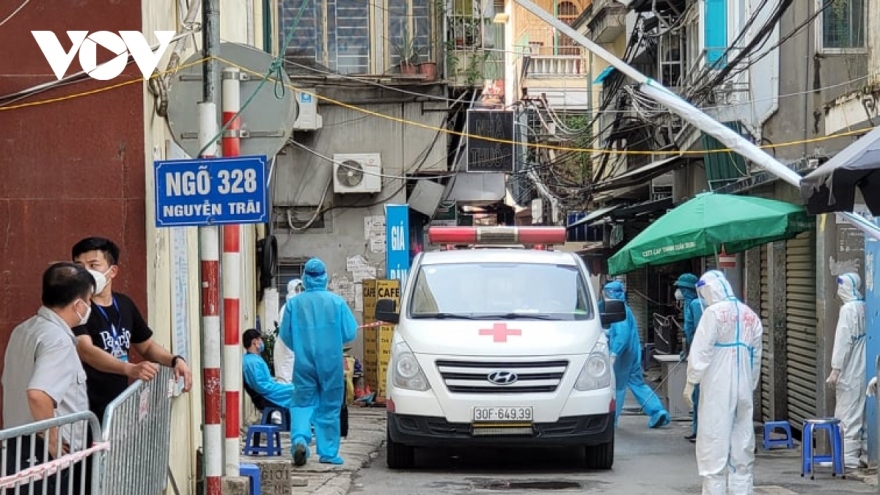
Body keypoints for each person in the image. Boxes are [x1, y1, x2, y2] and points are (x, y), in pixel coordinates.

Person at [71, 236, 193, 423]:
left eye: (93, 265)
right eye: (79, 266)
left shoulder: (125, 304)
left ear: (113, 271)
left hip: (117, 407)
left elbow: (146, 346)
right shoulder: (77, 307)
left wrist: (175, 360)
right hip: (85, 409)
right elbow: (85, 350)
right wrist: (129, 369)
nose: (86, 272)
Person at [2, 262, 94, 495]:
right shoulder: (58, 341)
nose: (89, 306)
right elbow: (38, 394)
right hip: (42, 453)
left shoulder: (24, 329)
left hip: (17, 444)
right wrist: (53, 441)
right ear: (79, 305)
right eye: (89, 300)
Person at [683, 270, 763, 495]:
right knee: (742, 445)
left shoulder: (713, 314)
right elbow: (756, 357)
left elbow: (701, 350)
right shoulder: (750, 315)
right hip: (743, 387)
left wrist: (691, 381)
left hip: (718, 386)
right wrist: (750, 384)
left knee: (713, 442)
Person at [279, 258, 358, 466]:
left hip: (304, 362)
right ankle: (328, 453)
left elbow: (285, 335)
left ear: (305, 278)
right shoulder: (337, 302)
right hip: (331, 362)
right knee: (330, 407)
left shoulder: (293, 304)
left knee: (302, 403)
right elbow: (350, 332)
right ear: (325, 277)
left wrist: (301, 346)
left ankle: (299, 440)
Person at [603, 280, 671, 429]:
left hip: (623, 355)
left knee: (617, 387)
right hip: (633, 352)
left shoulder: (617, 310)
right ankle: (657, 411)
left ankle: (611, 421)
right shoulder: (625, 308)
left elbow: (622, 334)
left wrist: (614, 353)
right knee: (637, 383)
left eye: (606, 293)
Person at [825, 272, 867, 469]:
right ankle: (864, 452)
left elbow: (843, 341)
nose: (839, 290)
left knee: (847, 410)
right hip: (864, 365)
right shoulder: (864, 306)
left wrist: (836, 369)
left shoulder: (848, 310)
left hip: (850, 368)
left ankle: (847, 456)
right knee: (862, 410)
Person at [674, 272, 703, 442]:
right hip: (693, 354)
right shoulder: (688, 305)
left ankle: (700, 431)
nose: (679, 292)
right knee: (695, 395)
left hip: (700, 356)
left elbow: (699, 332)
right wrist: (686, 350)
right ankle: (696, 428)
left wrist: (694, 352)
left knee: (699, 395)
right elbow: (688, 331)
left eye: (682, 288)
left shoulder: (697, 304)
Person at [242, 329, 295, 419]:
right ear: (254, 342)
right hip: (267, 396)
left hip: (269, 392)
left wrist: (275, 382)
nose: (262, 342)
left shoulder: (253, 359)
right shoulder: (252, 362)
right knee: (297, 391)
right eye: (260, 339)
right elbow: (262, 387)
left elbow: (264, 381)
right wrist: (281, 387)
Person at [274, 278, 304, 384]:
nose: (300, 292)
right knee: (285, 378)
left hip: (293, 349)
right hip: (285, 348)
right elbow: (286, 329)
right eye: (298, 289)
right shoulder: (287, 308)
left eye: (302, 289)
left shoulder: (298, 308)